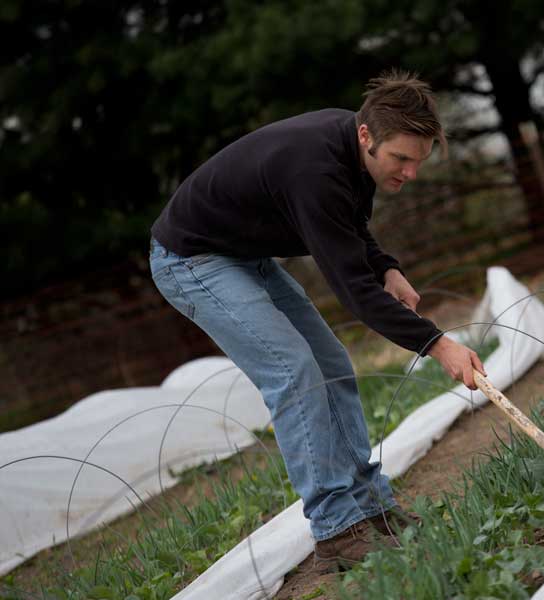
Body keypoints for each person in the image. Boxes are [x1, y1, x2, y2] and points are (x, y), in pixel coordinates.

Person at [148, 71, 486, 571]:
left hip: (245, 255)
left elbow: (351, 229)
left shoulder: (352, 153)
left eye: (419, 160)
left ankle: (371, 509)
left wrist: (386, 267)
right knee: (293, 372)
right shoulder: (316, 168)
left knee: (331, 362)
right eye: (401, 160)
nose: (410, 173)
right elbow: (354, 292)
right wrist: (439, 344)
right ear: (367, 135)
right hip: (192, 260)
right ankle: (335, 528)